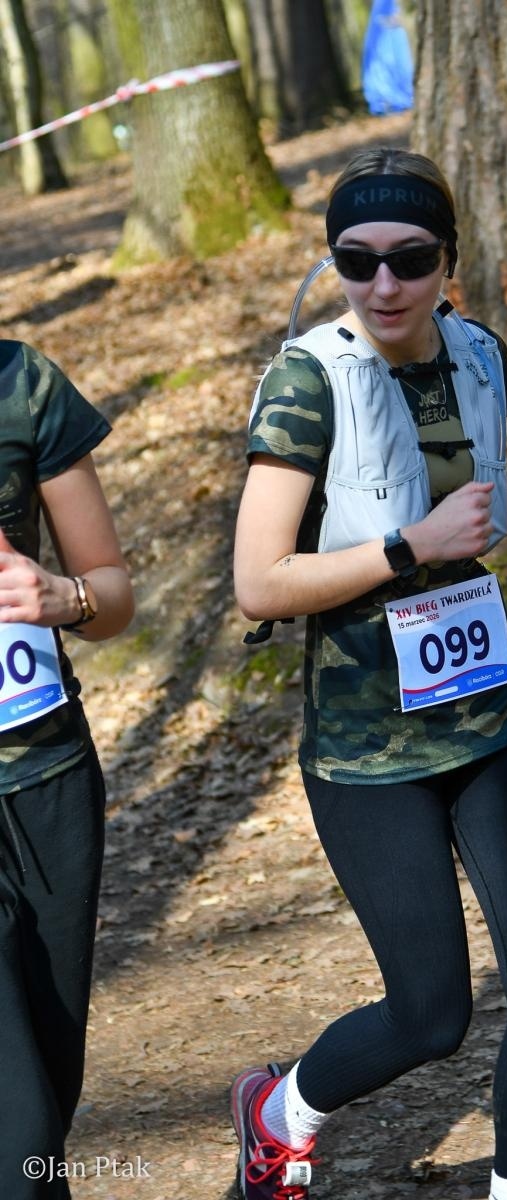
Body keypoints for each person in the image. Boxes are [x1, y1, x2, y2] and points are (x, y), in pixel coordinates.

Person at [231, 148, 507, 1200]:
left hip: (487, 716)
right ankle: (278, 1112)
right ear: (334, 260)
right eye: (356, 259)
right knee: (431, 1014)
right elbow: (258, 581)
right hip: (365, 748)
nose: (382, 284)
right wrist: (407, 549)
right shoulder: (308, 379)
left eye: (409, 258)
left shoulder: (476, 352)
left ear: (448, 261)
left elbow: (455, 486)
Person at [0, 341, 134, 1199]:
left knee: (49, 1093)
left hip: (48, 774)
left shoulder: (23, 383)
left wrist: (65, 599)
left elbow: (113, 596)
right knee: (19, 1128)